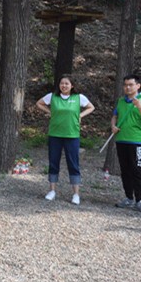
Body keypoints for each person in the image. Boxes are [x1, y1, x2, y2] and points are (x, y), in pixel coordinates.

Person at [35, 75, 95, 205]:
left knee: (73, 163)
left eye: (67, 83)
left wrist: (80, 115)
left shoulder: (78, 97)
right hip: (55, 134)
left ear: (72, 85)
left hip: (72, 135)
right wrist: (49, 112)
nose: (64, 86)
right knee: (53, 162)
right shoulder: (52, 96)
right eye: (62, 83)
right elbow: (39, 103)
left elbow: (91, 107)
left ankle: (76, 194)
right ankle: (52, 191)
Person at [111, 74, 141, 213]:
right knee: (125, 170)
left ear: (137, 86)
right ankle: (129, 197)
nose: (128, 87)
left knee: (136, 170)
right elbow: (115, 115)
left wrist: (139, 106)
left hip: (136, 141)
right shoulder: (121, 101)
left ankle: (139, 200)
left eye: (131, 85)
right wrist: (113, 126)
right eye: (125, 85)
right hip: (121, 140)